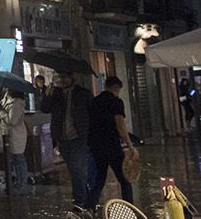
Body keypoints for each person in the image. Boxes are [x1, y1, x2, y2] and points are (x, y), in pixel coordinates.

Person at [85, 76, 135, 208]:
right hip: (112, 146)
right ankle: (130, 209)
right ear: (116, 88)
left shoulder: (94, 101)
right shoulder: (116, 102)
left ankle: (89, 208)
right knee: (124, 180)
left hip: (96, 146)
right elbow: (120, 126)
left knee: (99, 180)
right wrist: (130, 146)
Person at [46, 71, 93, 208]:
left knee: (77, 168)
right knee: (74, 169)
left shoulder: (83, 94)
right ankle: (87, 196)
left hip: (80, 138)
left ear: (72, 78)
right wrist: (47, 96)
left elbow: (92, 113)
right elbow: (45, 109)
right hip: (63, 139)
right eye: (59, 77)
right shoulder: (55, 94)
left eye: (64, 77)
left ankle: (80, 200)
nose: (61, 80)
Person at [0, 89, 30, 193]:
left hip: (16, 135)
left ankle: (22, 184)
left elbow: (12, 120)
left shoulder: (17, 103)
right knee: (13, 160)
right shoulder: (6, 99)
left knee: (19, 159)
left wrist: (1, 113)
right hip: (8, 134)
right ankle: (16, 183)